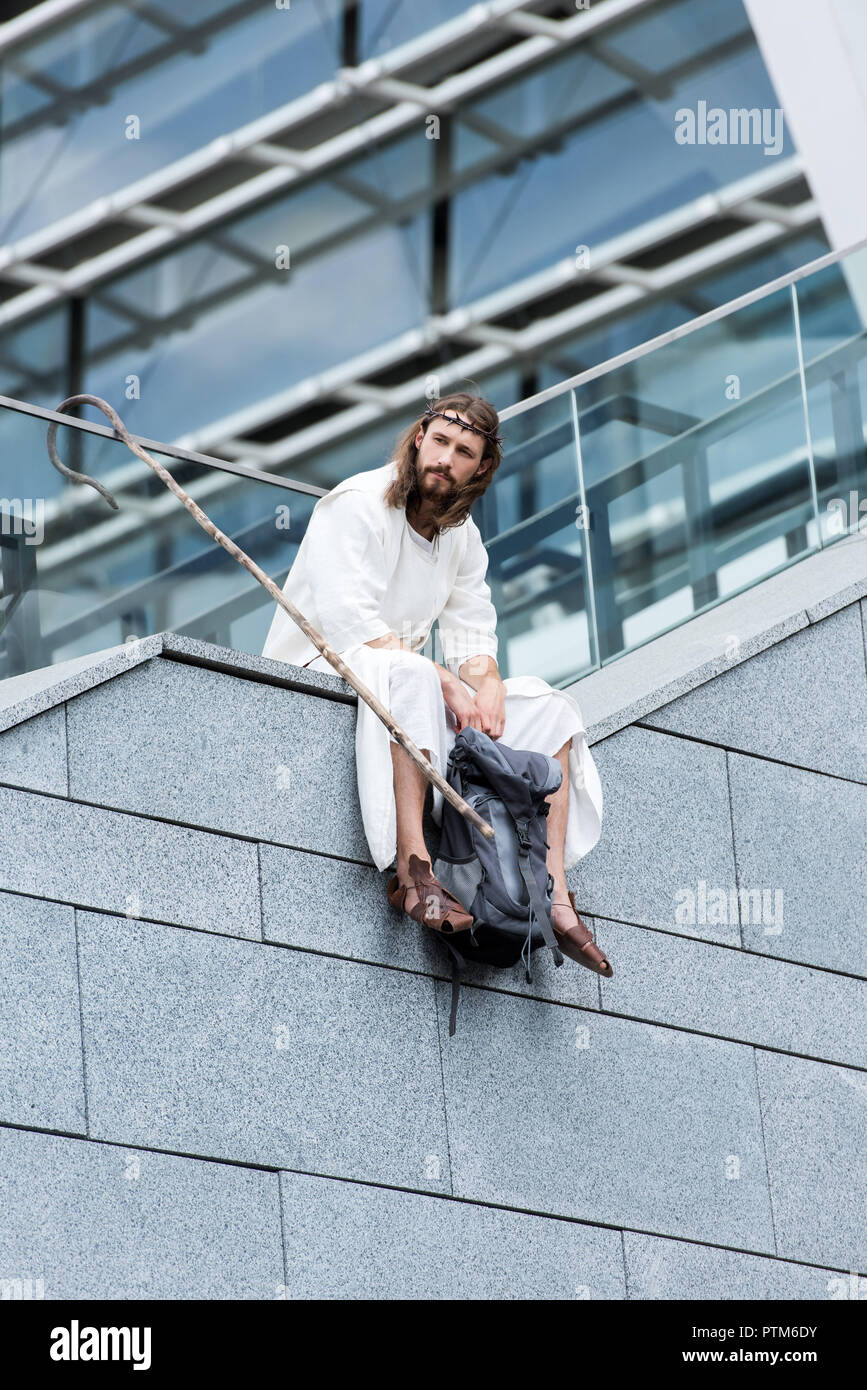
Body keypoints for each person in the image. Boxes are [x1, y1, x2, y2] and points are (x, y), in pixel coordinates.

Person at [261, 392, 612, 976]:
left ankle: (552, 895)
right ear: (420, 437)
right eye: (440, 442)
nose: (446, 459)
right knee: (411, 670)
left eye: (464, 452)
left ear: (481, 468)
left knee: (552, 707)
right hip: (320, 673)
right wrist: (445, 681)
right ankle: (414, 872)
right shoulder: (355, 505)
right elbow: (353, 628)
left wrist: (489, 684)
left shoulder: (462, 538)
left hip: (409, 691)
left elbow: (473, 635)